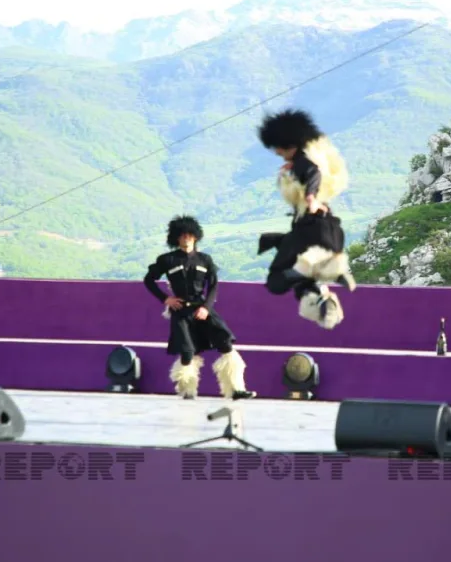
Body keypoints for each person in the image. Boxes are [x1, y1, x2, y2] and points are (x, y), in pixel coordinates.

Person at [255, 108, 356, 330]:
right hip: (326, 229)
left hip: (307, 230)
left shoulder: (304, 162)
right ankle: (322, 292)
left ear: (290, 144)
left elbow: (313, 173)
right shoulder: (302, 161)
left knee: (276, 281)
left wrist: (310, 197)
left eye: (280, 149)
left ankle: (312, 270)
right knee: (303, 286)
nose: (278, 153)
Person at [144, 215, 256, 400]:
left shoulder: (205, 260)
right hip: (181, 311)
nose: (186, 238)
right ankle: (187, 391)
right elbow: (148, 280)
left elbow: (213, 286)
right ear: (177, 238)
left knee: (225, 342)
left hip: (202, 309)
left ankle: (236, 389)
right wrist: (166, 299)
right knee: (187, 351)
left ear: (195, 237)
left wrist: (206, 307)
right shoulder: (167, 260)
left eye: (190, 235)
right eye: (182, 235)